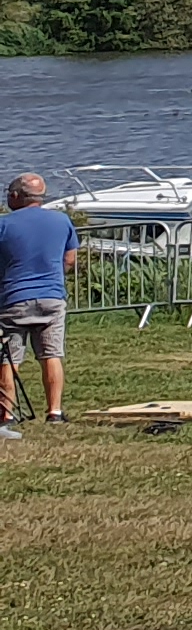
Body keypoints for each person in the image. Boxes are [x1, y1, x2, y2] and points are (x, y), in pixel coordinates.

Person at [0, 174, 80, 436]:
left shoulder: (4, 225)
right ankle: (54, 411)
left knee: (8, 358)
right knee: (51, 354)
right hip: (52, 297)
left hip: (13, 298)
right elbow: (70, 258)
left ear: (16, 196)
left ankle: (7, 413)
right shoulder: (61, 220)